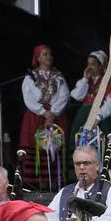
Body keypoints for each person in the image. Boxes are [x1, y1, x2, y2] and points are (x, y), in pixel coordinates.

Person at [19, 44, 71, 186]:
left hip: (55, 116)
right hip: (36, 117)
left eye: (49, 54)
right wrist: (43, 112)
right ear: (38, 58)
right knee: (35, 149)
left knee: (55, 149)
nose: (48, 57)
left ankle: (55, 182)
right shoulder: (31, 77)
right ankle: (35, 183)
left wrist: (53, 112)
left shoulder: (58, 76)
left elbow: (64, 95)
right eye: (45, 54)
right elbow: (28, 96)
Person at [70, 50, 111, 146]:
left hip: (101, 117)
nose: (89, 68)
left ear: (100, 66)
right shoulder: (87, 81)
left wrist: (98, 117)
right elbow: (77, 97)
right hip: (84, 116)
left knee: (101, 143)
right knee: (77, 139)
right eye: (88, 64)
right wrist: (85, 79)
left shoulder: (108, 80)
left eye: (93, 64)